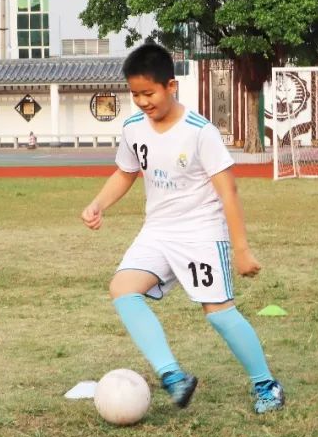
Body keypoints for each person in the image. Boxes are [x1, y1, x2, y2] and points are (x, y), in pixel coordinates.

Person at [80, 44, 285, 414]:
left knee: (218, 312)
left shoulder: (199, 131)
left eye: (149, 93)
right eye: (135, 94)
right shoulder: (132, 129)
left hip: (202, 233)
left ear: (170, 86)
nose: (142, 101)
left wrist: (241, 249)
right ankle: (173, 376)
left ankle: (266, 384)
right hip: (158, 231)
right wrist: (98, 204)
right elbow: (126, 172)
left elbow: (229, 192)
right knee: (122, 288)